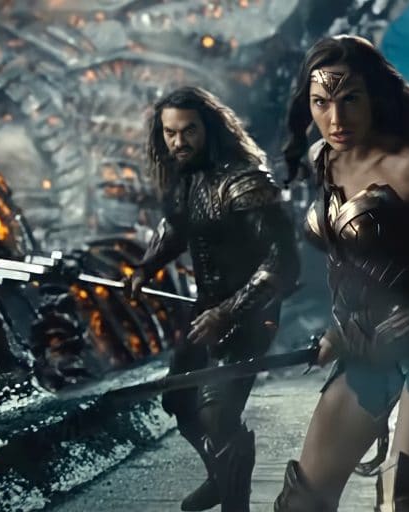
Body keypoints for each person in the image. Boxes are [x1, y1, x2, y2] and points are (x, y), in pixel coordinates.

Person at [271, 35, 409, 511]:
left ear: (375, 98)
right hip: (364, 350)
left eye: (350, 99)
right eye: (321, 103)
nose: (336, 118)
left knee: (401, 502)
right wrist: (337, 331)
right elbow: (350, 265)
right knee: (302, 502)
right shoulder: (321, 159)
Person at [125, 86, 300, 511]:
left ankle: (234, 504)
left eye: (188, 131)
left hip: (252, 309)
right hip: (206, 306)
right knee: (180, 399)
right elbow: (176, 227)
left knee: (217, 413)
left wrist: (229, 311)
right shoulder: (187, 178)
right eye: (170, 133)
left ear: (210, 128)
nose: (178, 142)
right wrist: (147, 266)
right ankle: (220, 477)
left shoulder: (245, 181)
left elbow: (282, 261)